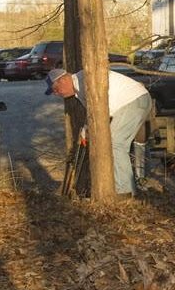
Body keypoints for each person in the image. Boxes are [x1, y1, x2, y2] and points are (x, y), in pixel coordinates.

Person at [45, 68, 152, 198]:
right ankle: (121, 187)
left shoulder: (85, 81)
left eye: (56, 90)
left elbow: (101, 110)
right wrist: (86, 129)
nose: (57, 94)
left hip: (133, 101)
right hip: (131, 102)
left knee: (116, 144)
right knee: (112, 144)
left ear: (62, 80)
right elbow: (92, 115)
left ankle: (125, 192)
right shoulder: (79, 90)